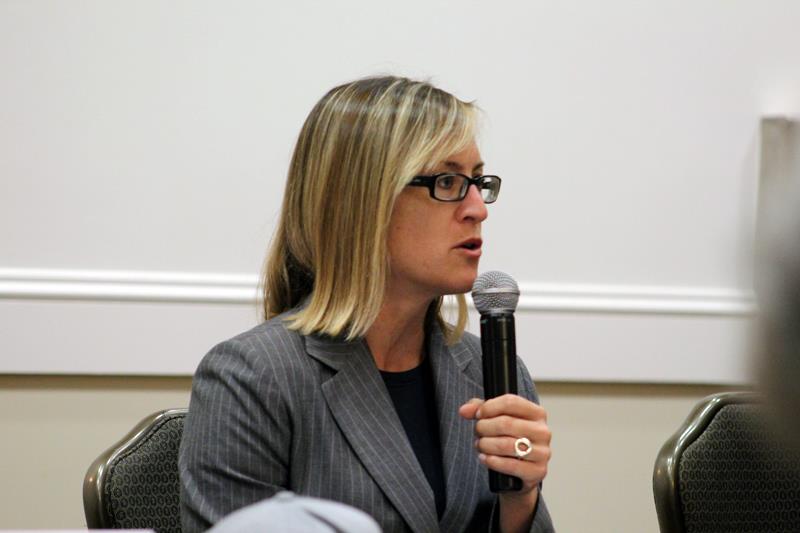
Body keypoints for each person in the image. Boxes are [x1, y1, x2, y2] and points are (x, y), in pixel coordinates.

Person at [179, 76, 555, 533]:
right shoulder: (253, 378)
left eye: (478, 182)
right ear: (364, 201)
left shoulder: (491, 372)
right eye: (448, 181)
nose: (478, 209)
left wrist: (521, 499)